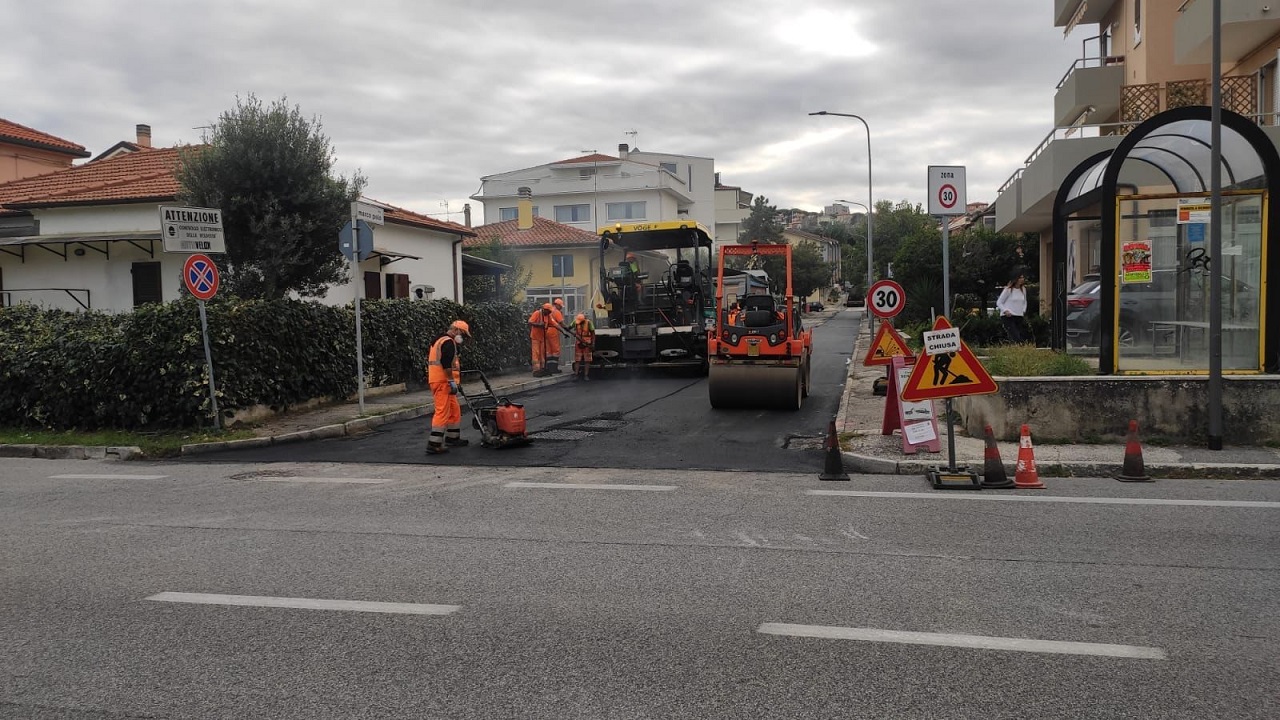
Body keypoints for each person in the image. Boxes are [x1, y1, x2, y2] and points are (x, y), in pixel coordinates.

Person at [425, 320, 471, 455]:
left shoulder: (440, 339)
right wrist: (451, 380)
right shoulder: (448, 342)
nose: (462, 338)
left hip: (441, 381)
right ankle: (434, 444)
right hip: (442, 382)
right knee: (442, 412)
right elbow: (446, 364)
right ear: (456, 330)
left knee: (454, 410)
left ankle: (452, 438)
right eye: (463, 334)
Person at [996, 273, 1032, 344]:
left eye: (1022, 278)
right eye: (1020, 278)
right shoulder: (1008, 290)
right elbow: (999, 302)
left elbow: (1024, 301)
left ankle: (1013, 349)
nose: (1022, 279)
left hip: (1019, 315)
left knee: (1019, 334)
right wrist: (1005, 311)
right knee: (1015, 335)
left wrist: (1023, 310)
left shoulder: (1023, 289)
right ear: (1015, 279)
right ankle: (1020, 348)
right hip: (1009, 316)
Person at [528, 303, 553, 376]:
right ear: (544, 309)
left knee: (542, 354)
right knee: (536, 353)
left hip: (542, 337)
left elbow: (553, 324)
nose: (549, 313)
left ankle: (542, 368)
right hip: (535, 337)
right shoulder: (537, 313)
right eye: (548, 311)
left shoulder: (547, 316)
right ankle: (536, 370)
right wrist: (539, 325)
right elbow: (530, 322)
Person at [571, 313, 595, 381]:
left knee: (587, 360)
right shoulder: (575, 322)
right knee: (577, 360)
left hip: (587, 344)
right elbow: (569, 327)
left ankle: (586, 375)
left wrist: (593, 344)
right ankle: (576, 375)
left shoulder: (589, 323)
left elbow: (593, 334)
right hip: (578, 343)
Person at [546, 298, 566, 373]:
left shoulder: (549, 310)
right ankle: (554, 369)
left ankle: (549, 368)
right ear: (557, 305)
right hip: (553, 331)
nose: (561, 307)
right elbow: (561, 323)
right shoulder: (557, 312)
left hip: (546, 330)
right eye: (560, 306)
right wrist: (567, 329)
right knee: (555, 350)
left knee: (548, 351)